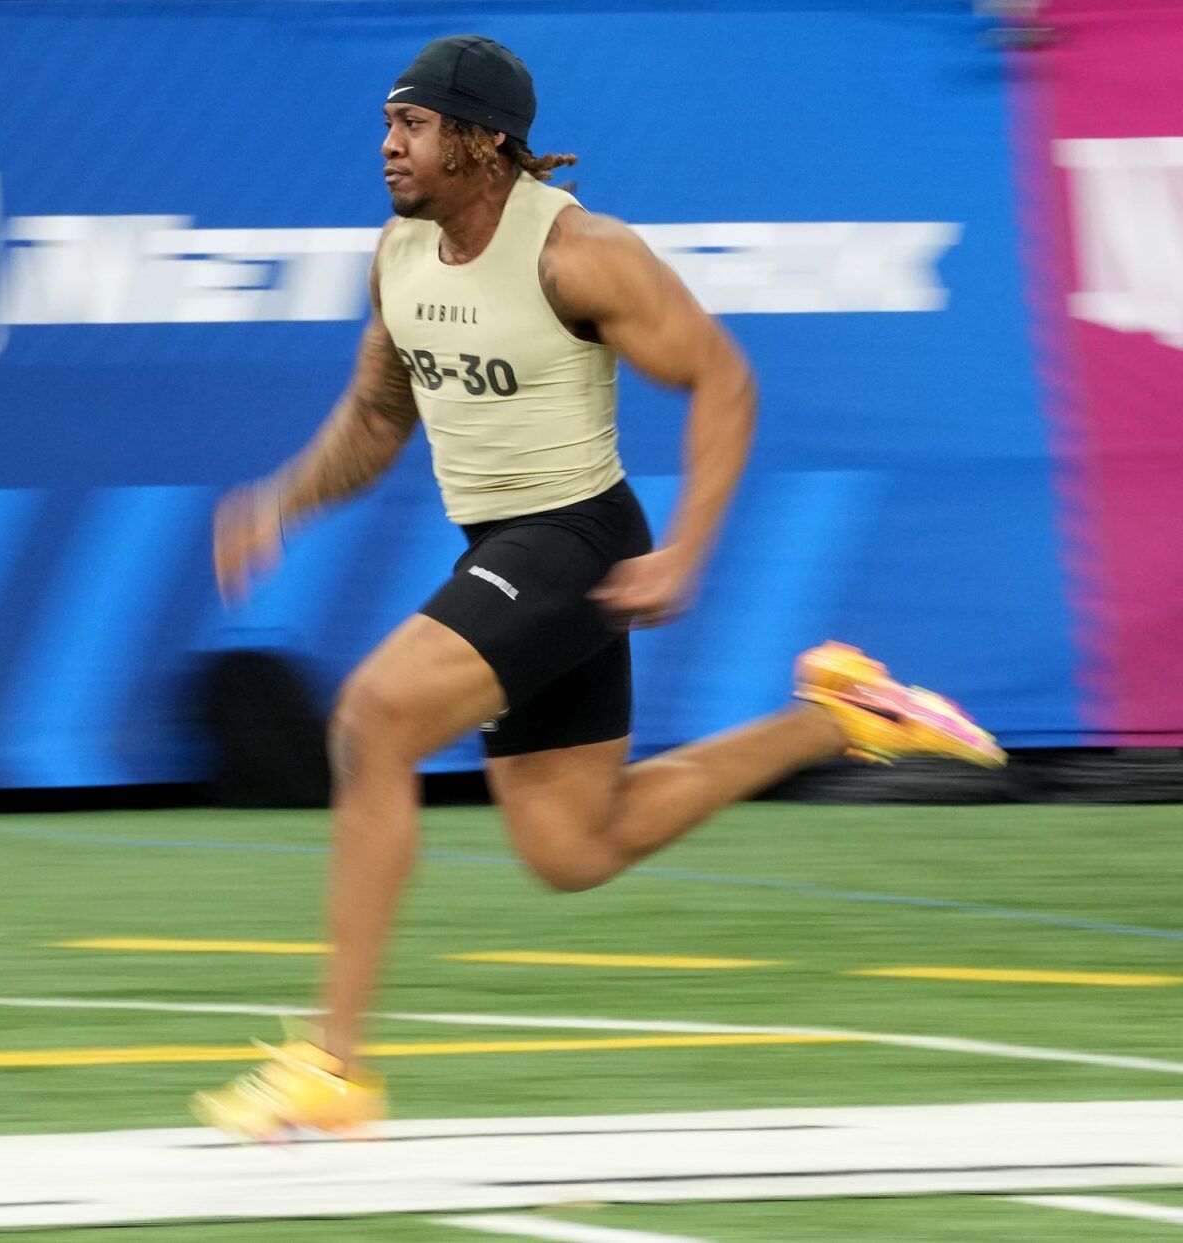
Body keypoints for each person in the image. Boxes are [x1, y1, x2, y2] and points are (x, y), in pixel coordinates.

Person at [191, 34, 1005, 1142]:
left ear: (483, 143)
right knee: (572, 850)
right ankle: (834, 718)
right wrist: (282, 499)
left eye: (414, 126)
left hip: (573, 541)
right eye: (389, 124)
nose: (389, 146)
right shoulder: (398, 254)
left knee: (374, 718)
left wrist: (687, 552)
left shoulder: (582, 255)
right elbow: (382, 419)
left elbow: (723, 379)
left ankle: (332, 1065)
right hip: (508, 549)